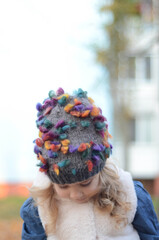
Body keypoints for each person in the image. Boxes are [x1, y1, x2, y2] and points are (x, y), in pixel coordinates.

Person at [20, 88, 159, 240]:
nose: (76, 194)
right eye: (63, 186)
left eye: (85, 183)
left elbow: (151, 235)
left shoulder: (130, 195)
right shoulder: (40, 208)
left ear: (100, 171)